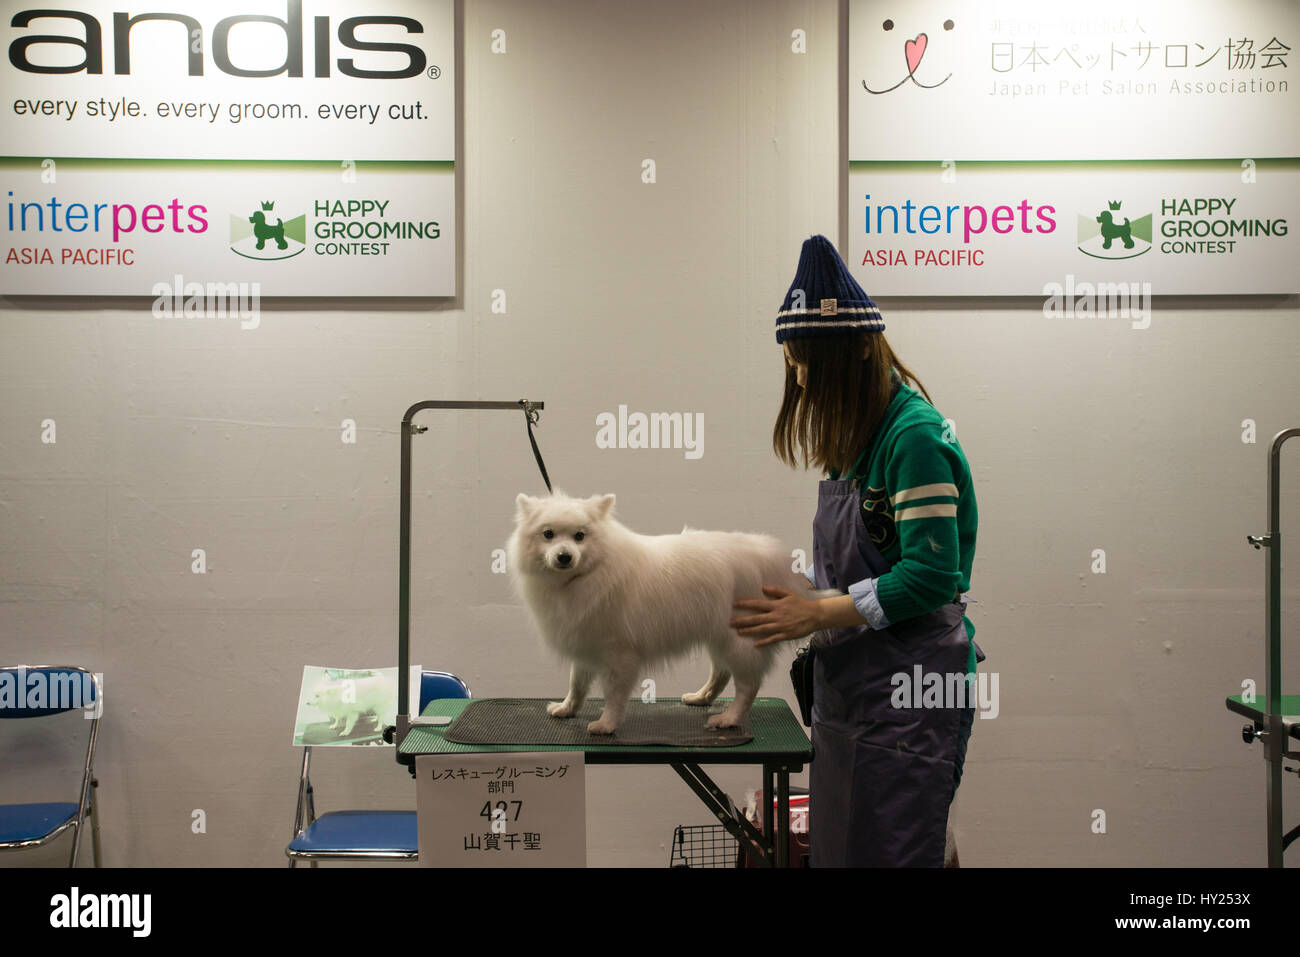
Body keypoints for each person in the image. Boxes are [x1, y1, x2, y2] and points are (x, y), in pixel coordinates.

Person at [729, 234, 982, 867]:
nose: (802, 380)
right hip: (849, 693)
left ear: (852, 354)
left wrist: (816, 613)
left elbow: (929, 577)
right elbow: (853, 569)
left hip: (909, 696)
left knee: (895, 851)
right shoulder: (855, 444)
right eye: (793, 366)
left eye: (809, 365)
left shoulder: (914, 438)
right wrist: (795, 598)